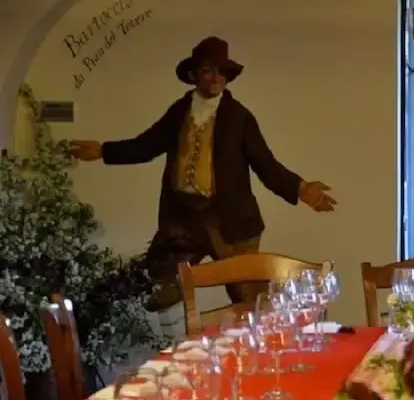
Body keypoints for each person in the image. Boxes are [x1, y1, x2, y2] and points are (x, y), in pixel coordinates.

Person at [69, 36, 336, 311]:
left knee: (249, 297)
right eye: (208, 70)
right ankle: (175, 329)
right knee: (160, 284)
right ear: (195, 74)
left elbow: (265, 164)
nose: (215, 78)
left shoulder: (239, 117)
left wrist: (301, 189)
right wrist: (104, 150)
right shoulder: (179, 112)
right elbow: (146, 145)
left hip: (231, 219)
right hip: (183, 217)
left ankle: (258, 335)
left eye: (221, 72)